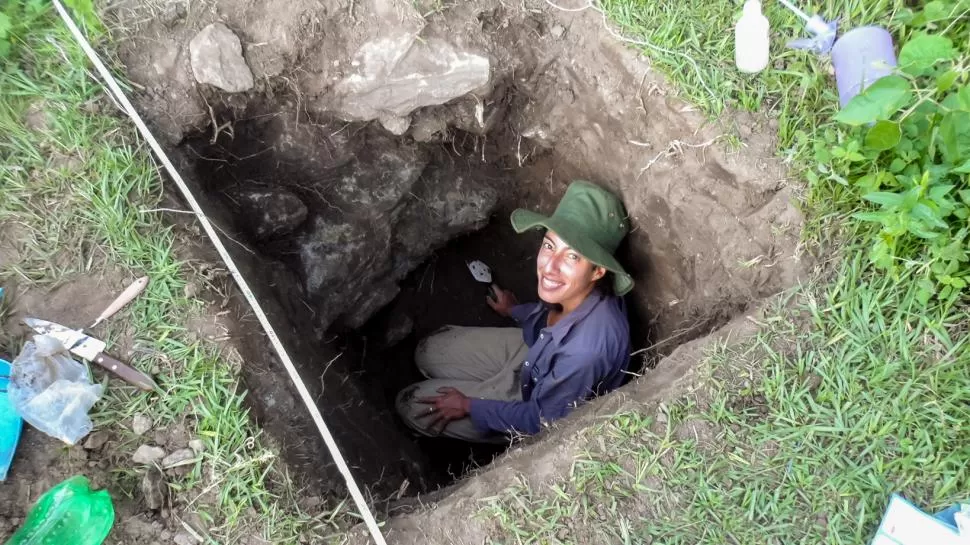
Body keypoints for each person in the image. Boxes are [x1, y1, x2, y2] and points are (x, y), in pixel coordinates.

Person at [395, 180, 633, 443]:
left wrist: (468, 406)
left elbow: (543, 420)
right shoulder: (581, 288)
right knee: (426, 351)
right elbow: (550, 319)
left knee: (412, 405)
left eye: (572, 256)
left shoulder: (586, 353)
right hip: (535, 351)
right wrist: (515, 310)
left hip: (537, 401)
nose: (550, 267)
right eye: (550, 245)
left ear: (598, 270)